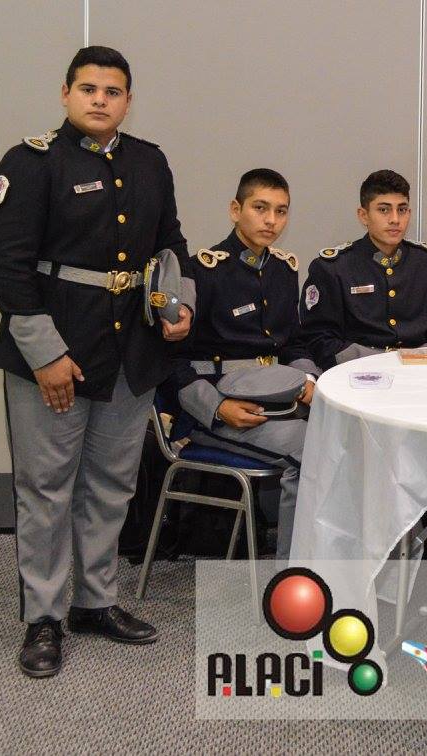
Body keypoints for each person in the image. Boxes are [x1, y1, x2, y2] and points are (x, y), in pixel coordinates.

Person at [0, 46, 193, 678]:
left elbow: (170, 244)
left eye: (113, 91)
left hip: (131, 352)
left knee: (110, 485)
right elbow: (7, 267)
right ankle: (43, 617)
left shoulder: (150, 161)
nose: (100, 99)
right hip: (56, 354)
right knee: (46, 490)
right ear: (65, 94)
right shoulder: (30, 163)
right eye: (88, 89)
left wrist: (178, 304)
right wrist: (45, 353)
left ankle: (95, 601)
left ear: (128, 100)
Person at [166, 169, 316, 559]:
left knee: (346, 439)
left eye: (281, 211)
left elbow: (294, 342)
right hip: (222, 413)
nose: (271, 220)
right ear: (236, 210)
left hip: (280, 402)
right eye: (260, 208)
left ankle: (332, 563)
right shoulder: (202, 271)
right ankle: (292, 575)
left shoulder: (284, 269)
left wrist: (309, 380)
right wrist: (217, 408)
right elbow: (173, 360)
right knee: (315, 451)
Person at [299, 169, 427, 368]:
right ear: (363, 215)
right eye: (384, 210)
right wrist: (381, 362)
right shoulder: (332, 268)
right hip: (356, 373)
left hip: (420, 371)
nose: (395, 219)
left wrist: (413, 362)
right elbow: (319, 339)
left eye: (402, 210)